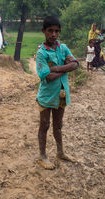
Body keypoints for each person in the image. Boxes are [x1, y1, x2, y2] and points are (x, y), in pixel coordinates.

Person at [36, 16, 79, 170]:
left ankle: (60, 152)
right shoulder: (41, 53)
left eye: (56, 31)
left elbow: (75, 64)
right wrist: (64, 69)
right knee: (45, 125)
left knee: (58, 125)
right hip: (47, 95)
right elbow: (47, 76)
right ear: (44, 31)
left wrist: (56, 68)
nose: (53, 34)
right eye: (50, 31)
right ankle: (42, 156)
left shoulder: (63, 48)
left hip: (62, 93)